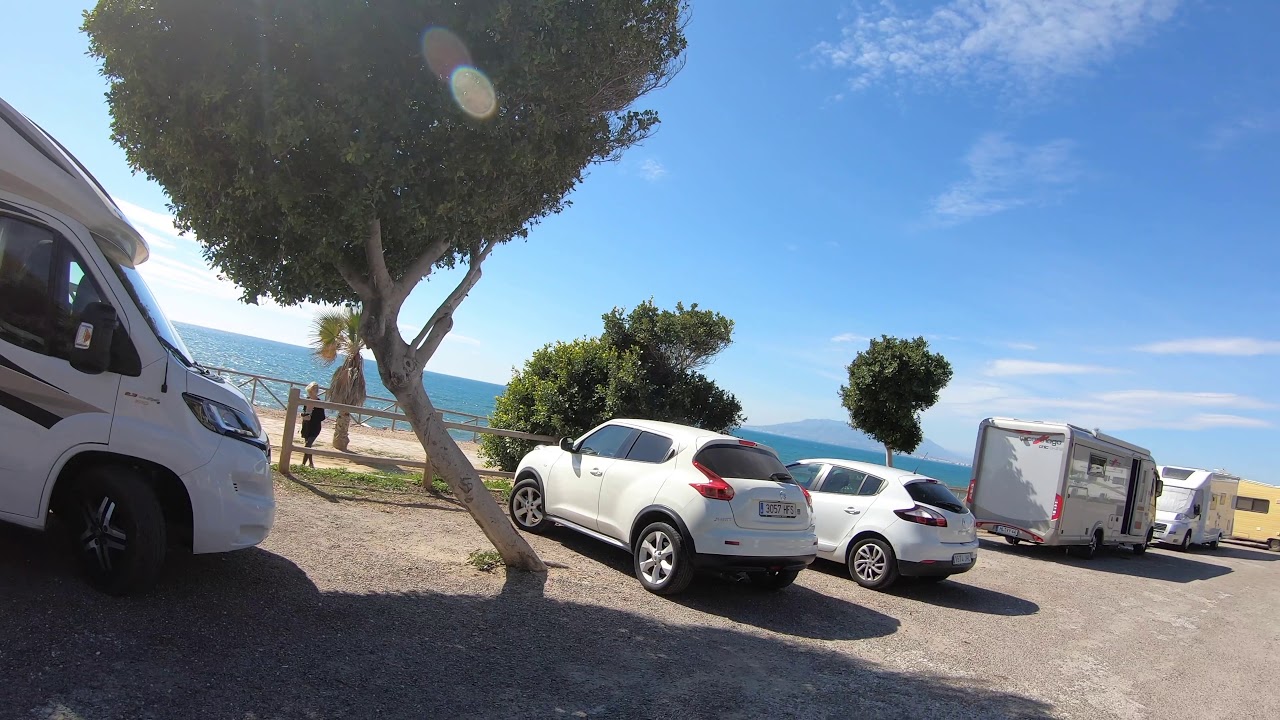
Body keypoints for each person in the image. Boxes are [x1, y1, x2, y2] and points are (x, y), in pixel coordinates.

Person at [299, 382, 326, 468]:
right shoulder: (307, 400)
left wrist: (312, 416)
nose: (310, 394)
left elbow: (322, 417)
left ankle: (302, 465)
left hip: (315, 427)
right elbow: (304, 410)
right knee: (308, 445)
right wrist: (304, 415)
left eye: (311, 392)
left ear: (316, 392)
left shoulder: (319, 403)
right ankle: (311, 464)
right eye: (309, 392)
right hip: (307, 425)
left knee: (307, 445)